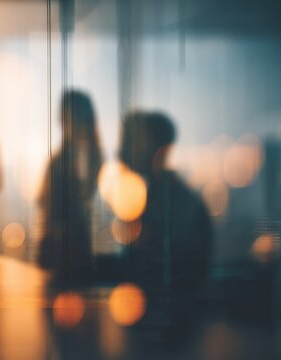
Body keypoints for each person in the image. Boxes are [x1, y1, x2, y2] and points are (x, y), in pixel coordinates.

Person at [119, 111, 213, 348]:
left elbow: (162, 270)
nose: (121, 150)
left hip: (169, 334)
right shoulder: (157, 197)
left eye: (130, 140)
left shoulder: (169, 202)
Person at [38, 90, 103, 287]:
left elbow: (79, 194)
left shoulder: (80, 151)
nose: (60, 118)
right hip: (63, 239)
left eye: (65, 112)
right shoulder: (77, 150)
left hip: (67, 241)